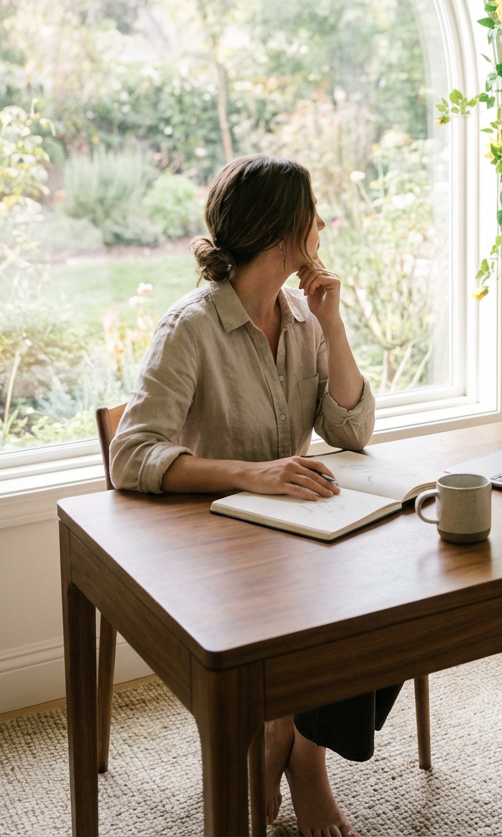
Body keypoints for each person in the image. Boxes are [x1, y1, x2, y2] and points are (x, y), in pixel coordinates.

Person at [110, 155, 400, 837]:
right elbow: (130, 452)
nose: (323, 224)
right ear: (282, 233)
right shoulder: (191, 327)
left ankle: (299, 747)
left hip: (297, 530)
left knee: (401, 591)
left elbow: (351, 430)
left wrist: (333, 323)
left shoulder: (300, 316)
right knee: (343, 600)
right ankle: (295, 745)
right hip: (217, 544)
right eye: (313, 215)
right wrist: (252, 473)